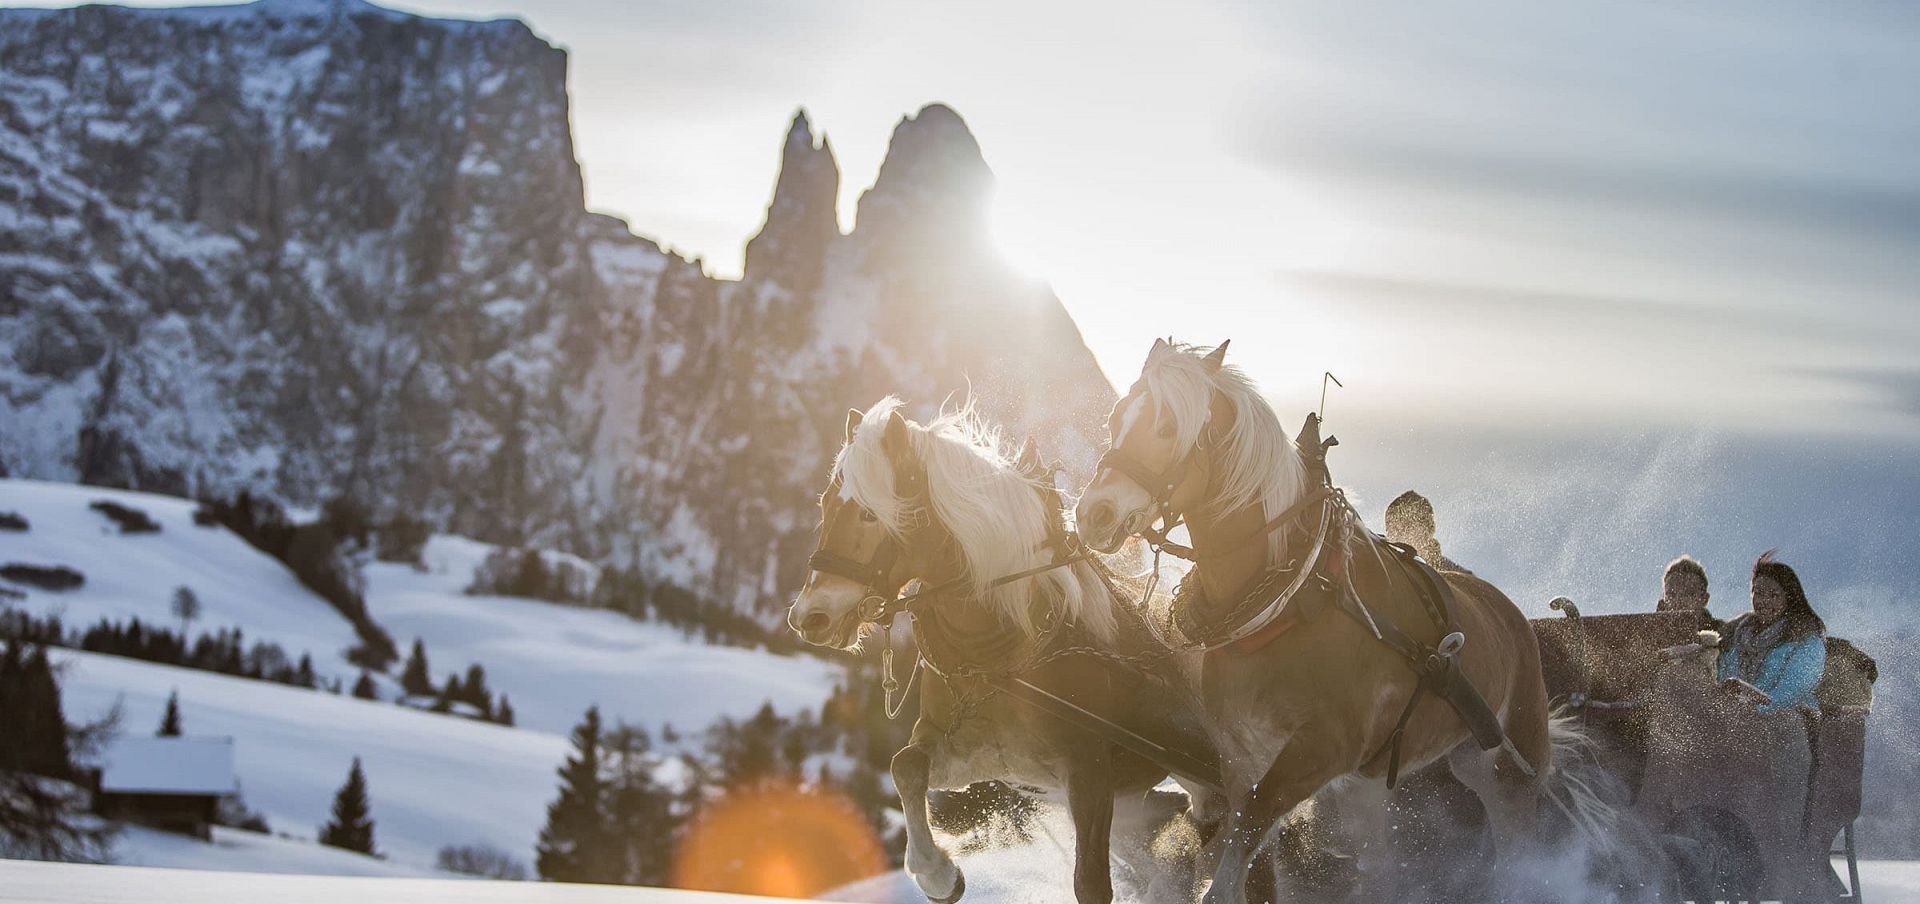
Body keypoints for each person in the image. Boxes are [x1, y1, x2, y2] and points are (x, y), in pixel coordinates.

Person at [1715, 552, 1826, 716]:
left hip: (1787, 719)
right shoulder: (1733, 636)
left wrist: (1755, 710)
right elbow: (1720, 680)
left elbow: (1792, 691)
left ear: (1789, 598)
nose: (1764, 601)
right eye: (1758, 593)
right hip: (1733, 717)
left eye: (1773, 595)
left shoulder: (1806, 640)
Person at [1384, 490, 1466, 572]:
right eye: (1392, 529)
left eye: (1406, 528)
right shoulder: (1386, 567)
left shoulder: (1456, 575)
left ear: (1428, 531)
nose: (1397, 535)